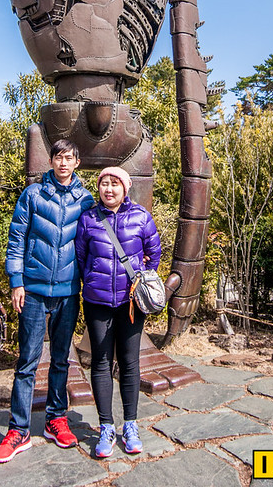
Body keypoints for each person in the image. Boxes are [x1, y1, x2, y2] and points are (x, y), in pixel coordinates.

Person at [0, 139, 94, 464]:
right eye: (58, 157)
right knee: (27, 362)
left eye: (69, 158)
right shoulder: (33, 195)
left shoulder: (86, 200)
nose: (63, 163)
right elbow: (17, 237)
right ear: (51, 161)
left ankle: (55, 419)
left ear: (77, 162)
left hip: (68, 293)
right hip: (33, 291)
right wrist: (16, 281)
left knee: (61, 361)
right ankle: (18, 430)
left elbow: (96, 242)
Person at [75, 166, 161, 458]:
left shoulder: (140, 217)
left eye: (114, 184)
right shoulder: (88, 219)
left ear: (125, 188)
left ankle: (131, 424)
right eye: (104, 184)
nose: (108, 189)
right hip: (98, 301)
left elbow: (155, 251)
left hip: (131, 303)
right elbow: (81, 255)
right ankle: (106, 426)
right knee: (100, 362)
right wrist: (92, 278)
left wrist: (142, 277)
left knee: (129, 362)